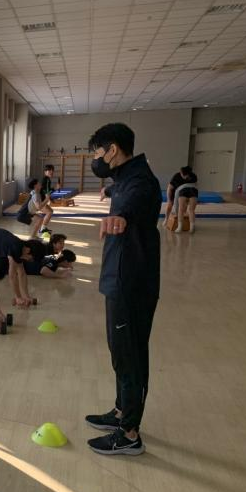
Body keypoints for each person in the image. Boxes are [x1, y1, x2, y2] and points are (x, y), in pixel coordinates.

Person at [85, 122, 161, 456]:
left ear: (113, 150)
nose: (96, 160)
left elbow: (134, 203)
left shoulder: (140, 182)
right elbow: (124, 193)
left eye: (98, 153)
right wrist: (111, 194)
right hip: (119, 278)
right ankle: (120, 412)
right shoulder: (126, 178)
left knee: (130, 357)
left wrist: (120, 216)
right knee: (120, 352)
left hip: (131, 283)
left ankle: (129, 434)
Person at [164, 165, 198, 233]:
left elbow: (194, 186)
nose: (185, 177)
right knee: (170, 206)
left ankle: (190, 226)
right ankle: (166, 219)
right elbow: (169, 188)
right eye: (183, 175)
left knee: (188, 209)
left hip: (189, 191)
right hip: (175, 190)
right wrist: (169, 199)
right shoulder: (176, 176)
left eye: (186, 176)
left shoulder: (193, 176)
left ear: (189, 174)